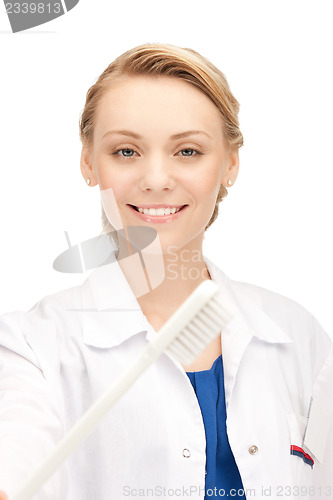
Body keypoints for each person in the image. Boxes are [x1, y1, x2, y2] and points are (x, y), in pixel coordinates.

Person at [0, 43, 332, 500]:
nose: (156, 179)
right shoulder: (29, 350)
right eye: (126, 151)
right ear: (88, 162)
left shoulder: (298, 335)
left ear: (230, 163)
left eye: (188, 151)